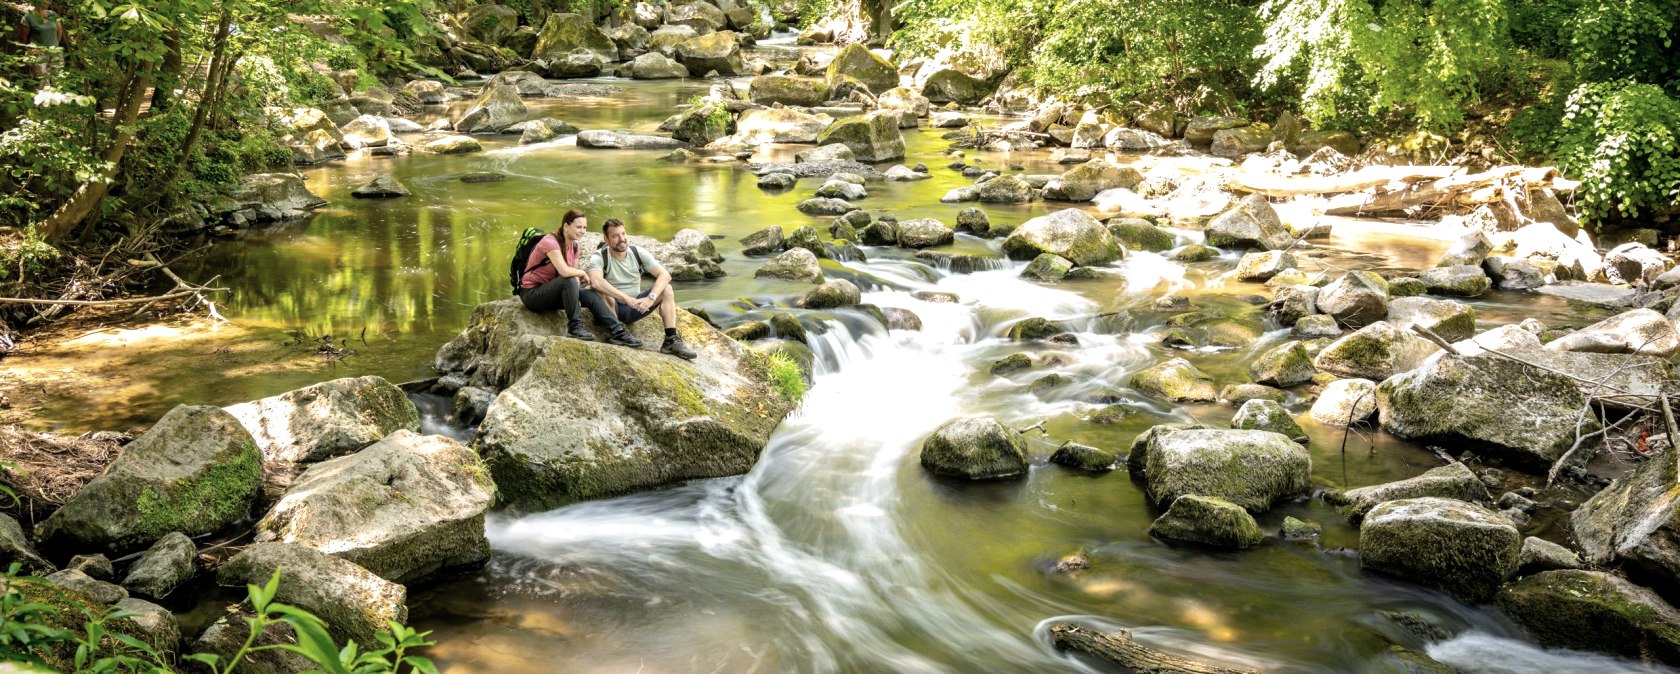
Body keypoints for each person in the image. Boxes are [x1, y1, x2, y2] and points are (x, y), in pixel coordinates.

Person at [583, 218, 698, 360]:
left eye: (623, 234)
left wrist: (651, 298)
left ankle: (671, 340)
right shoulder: (599, 256)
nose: (622, 239)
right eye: (615, 236)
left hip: (635, 307)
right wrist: (626, 298)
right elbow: (595, 282)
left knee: (666, 289)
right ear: (606, 239)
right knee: (600, 289)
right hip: (610, 309)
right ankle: (617, 333)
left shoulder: (637, 252)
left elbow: (665, 275)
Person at [517, 208, 636, 345]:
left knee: (591, 295)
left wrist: (578, 293)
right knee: (569, 279)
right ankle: (575, 327)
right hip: (532, 295)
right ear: (566, 226)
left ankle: (618, 332)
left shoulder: (574, 247)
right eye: (578, 227)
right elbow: (565, 272)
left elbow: (574, 278)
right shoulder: (550, 242)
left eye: (585, 227)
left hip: (553, 294)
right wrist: (583, 273)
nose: (583, 231)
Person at [17, 4, 63, 81]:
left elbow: (59, 30)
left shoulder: (52, 14)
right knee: (41, 81)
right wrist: (31, 51)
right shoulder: (28, 17)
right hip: (38, 53)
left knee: (57, 80)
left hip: (55, 52)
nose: (48, 2)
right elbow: (22, 38)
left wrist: (56, 45)